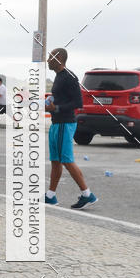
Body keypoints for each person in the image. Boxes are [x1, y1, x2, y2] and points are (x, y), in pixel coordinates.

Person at [45, 47, 97, 209]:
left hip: (65, 123)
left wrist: (57, 108)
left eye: (50, 57)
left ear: (59, 58)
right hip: (56, 124)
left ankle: (87, 195)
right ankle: (50, 196)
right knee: (55, 161)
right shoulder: (59, 77)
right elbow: (60, 98)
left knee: (66, 160)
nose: (48, 60)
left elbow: (78, 103)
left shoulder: (69, 77)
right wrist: (50, 102)